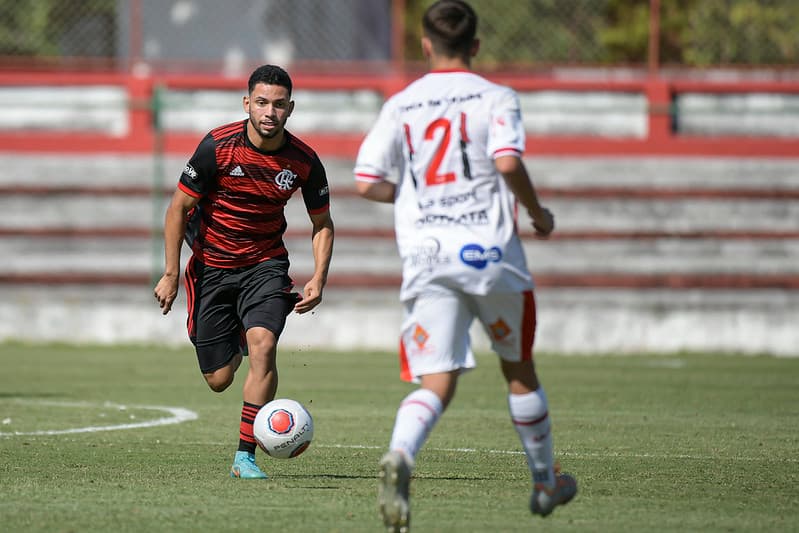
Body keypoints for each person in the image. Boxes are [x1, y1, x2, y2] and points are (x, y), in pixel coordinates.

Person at [353, 1, 576, 529]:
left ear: (426, 45)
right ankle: (544, 482)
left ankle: (401, 455)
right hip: (492, 255)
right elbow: (507, 160)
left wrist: (415, 196)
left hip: (428, 257)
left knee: (436, 382)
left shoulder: (401, 105)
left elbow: (366, 181)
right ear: (475, 45)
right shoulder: (496, 96)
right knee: (518, 369)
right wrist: (537, 212)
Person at [154, 64, 334, 479]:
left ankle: (244, 456)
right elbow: (178, 208)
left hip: (265, 266)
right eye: (262, 103)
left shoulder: (304, 161)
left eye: (279, 104)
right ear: (247, 103)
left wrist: (319, 278)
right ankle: (236, 335)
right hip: (212, 268)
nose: (270, 112)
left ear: (291, 108)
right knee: (218, 379)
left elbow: (322, 223)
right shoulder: (217, 146)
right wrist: (170, 273)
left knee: (264, 346)